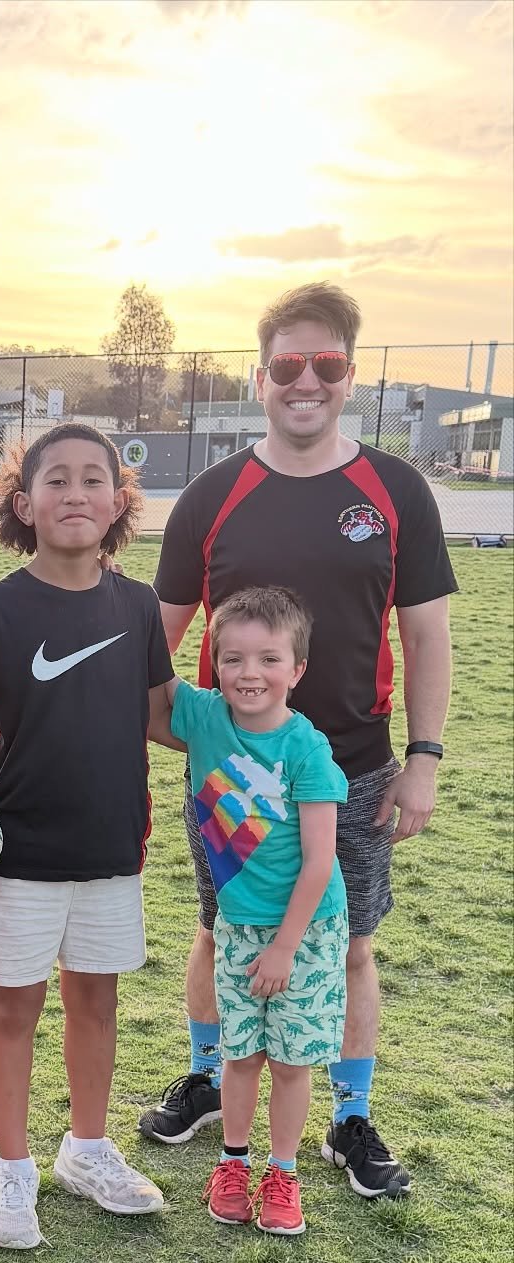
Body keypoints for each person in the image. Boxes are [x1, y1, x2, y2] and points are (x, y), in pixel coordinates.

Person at [138, 283, 456, 1200]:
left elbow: (426, 636)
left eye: (325, 365)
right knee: (217, 929)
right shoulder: (213, 493)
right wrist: (171, 739)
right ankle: (207, 1074)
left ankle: (349, 1119)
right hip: (227, 783)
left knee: (350, 942)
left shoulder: (395, 490)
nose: (304, 382)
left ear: (350, 375)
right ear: (262, 373)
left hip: (351, 771)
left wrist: (423, 759)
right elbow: (157, 641)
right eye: (287, 365)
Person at [0, 421, 170, 1248]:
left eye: (94, 478)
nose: (76, 493)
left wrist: (262, 734)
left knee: (96, 1001)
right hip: (20, 852)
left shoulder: (136, 604)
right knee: (14, 1009)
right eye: (55, 479)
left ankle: (86, 1150)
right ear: (23, 503)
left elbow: (164, 717)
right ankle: (13, 1171)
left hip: (111, 847)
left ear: (118, 500)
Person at [150, 587, 349, 1236]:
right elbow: (145, 667)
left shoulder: (306, 750)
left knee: (291, 1063)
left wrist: (286, 948)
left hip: (308, 930)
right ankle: (232, 1164)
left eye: (268, 659)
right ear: (214, 665)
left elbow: (320, 862)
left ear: (296, 671)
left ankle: (282, 1175)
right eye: (232, 659)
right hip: (238, 927)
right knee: (240, 1055)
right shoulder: (203, 718)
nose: (249, 674)